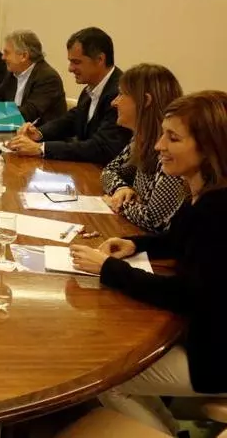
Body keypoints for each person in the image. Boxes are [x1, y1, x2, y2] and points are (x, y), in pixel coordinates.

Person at [68, 91, 227, 436]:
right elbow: (179, 240)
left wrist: (109, 270)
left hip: (216, 357)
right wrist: (134, 244)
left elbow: (188, 295)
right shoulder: (202, 192)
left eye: (173, 138)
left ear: (209, 147)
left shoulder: (217, 210)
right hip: (205, 336)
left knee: (107, 375)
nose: (158, 146)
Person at [7, 27, 131, 164]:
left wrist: (41, 148)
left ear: (100, 59)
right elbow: (71, 120)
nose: (70, 68)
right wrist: (38, 133)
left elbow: (102, 147)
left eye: (76, 62)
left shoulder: (122, 94)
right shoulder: (89, 90)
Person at [101, 64, 187, 233]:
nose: (114, 102)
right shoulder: (140, 138)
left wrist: (118, 203)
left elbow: (153, 220)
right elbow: (109, 171)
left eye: (121, 94)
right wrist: (121, 189)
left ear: (146, 101)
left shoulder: (169, 151)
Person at [0, 30, 66, 126]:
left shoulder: (48, 78)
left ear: (24, 56)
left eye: (7, 53)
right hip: (13, 130)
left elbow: (27, 113)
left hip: (41, 138)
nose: (3, 57)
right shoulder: (13, 73)